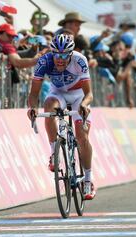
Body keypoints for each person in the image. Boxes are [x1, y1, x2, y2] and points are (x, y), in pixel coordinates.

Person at [27, 34, 95, 200]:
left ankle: (88, 179)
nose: (60, 59)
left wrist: (85, 105)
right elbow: (34, 93)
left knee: (82, 137)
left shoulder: (80, 60)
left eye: (64, 55)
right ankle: (53, 153)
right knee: (48, 107)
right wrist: (33, 108)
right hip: (58, 94)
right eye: (57, 55)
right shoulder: (44, 61)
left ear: (71, 54)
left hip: (79, 96)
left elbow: (89, 94)